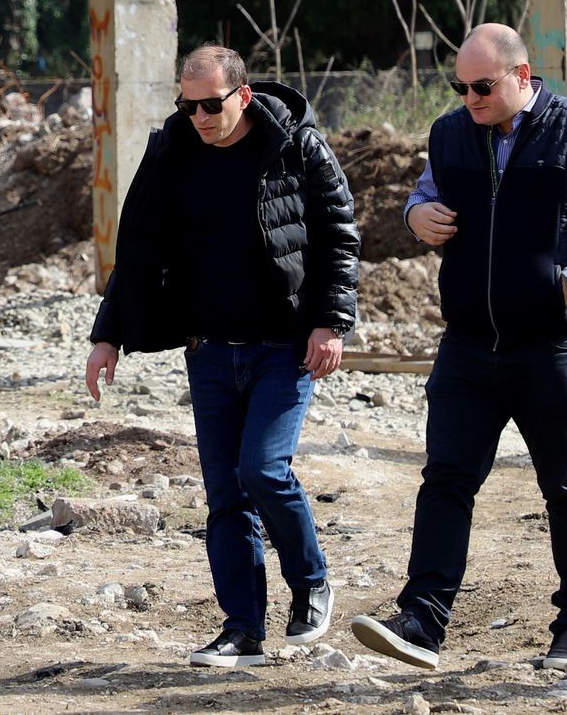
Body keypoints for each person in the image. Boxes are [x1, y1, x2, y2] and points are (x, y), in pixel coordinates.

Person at [351, 23, 567, 672]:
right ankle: (422, 621)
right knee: (446, 480)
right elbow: (426, 194)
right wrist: (415, 216)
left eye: (481, 86)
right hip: (467, 343)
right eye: (460, 86)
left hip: (550, 344)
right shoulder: (452, 131)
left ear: (522, 77)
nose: (470, 98)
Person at [84, 45, 360, 667]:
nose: (200, 117)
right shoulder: (173, 152)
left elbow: (341, 234)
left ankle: (312, 582)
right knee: (224, 495)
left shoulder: (297, 146)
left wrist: (331, 322)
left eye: (211, 105)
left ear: (243, 95)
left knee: (263, 471)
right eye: (189, 105)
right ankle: (243, 629)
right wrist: (109, 335)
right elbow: (139, 249)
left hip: (284, 348)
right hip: (208, 351)